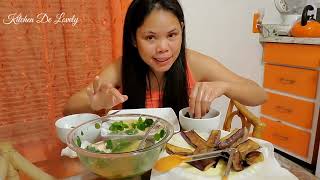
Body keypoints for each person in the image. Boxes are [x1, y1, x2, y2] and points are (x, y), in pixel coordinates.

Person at [63, 0, 267, 118]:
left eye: (172, 35)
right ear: (134, 39)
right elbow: (69, 108)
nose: (163, 48)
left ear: (182, 30)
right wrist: (95, 103)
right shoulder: (122, 68)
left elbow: (259, 95)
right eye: (150, 37)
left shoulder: (193, 63)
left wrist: (225, 87)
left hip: (181, 164)